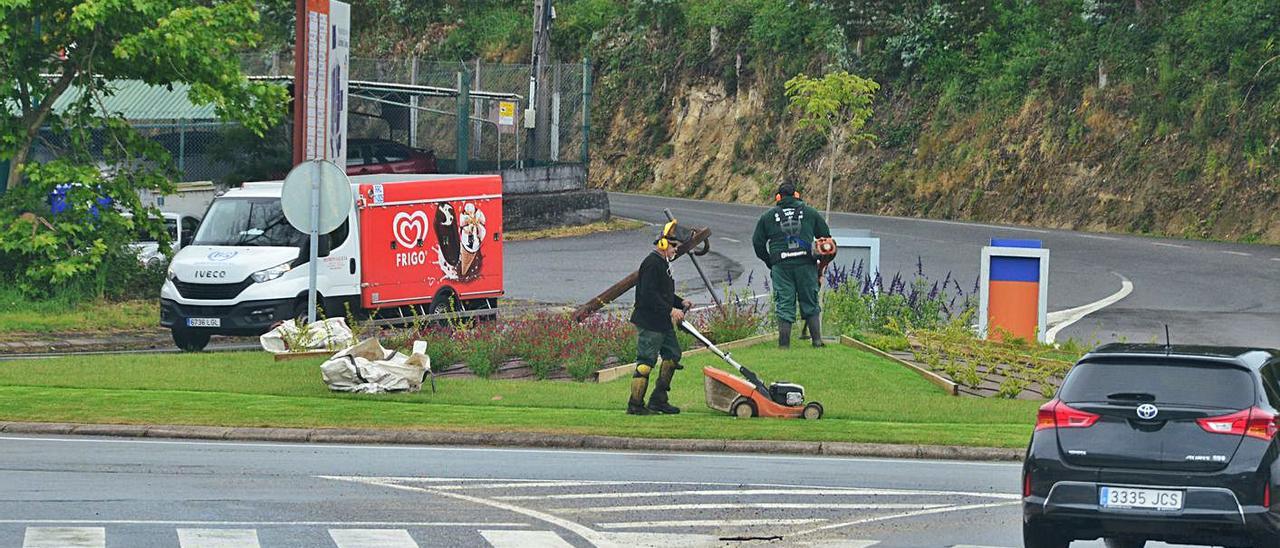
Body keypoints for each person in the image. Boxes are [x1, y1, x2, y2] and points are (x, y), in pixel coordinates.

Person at [752, 182, 832, 348]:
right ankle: (817, 341)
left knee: (784, 303)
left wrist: (770, 261)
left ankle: (784, 345)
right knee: (810, 300)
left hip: (781, 266)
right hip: (806, 264)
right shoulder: (810, 212)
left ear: (778, 198)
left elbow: (757, 243)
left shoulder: (767, 217)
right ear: (797, 195)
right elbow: (825, 237)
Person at [627, 220, 693, 415]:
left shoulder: (663, 264)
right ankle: (635, 405)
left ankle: (659, 399)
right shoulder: (651, 263)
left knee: (672, 356)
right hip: (650, 322)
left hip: (662, 322)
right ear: (664, 244)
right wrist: (670, 310)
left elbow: (664, 294)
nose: (676, 251)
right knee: (646, 363)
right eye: (675, 247)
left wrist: (680, 303)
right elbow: (649, 294)